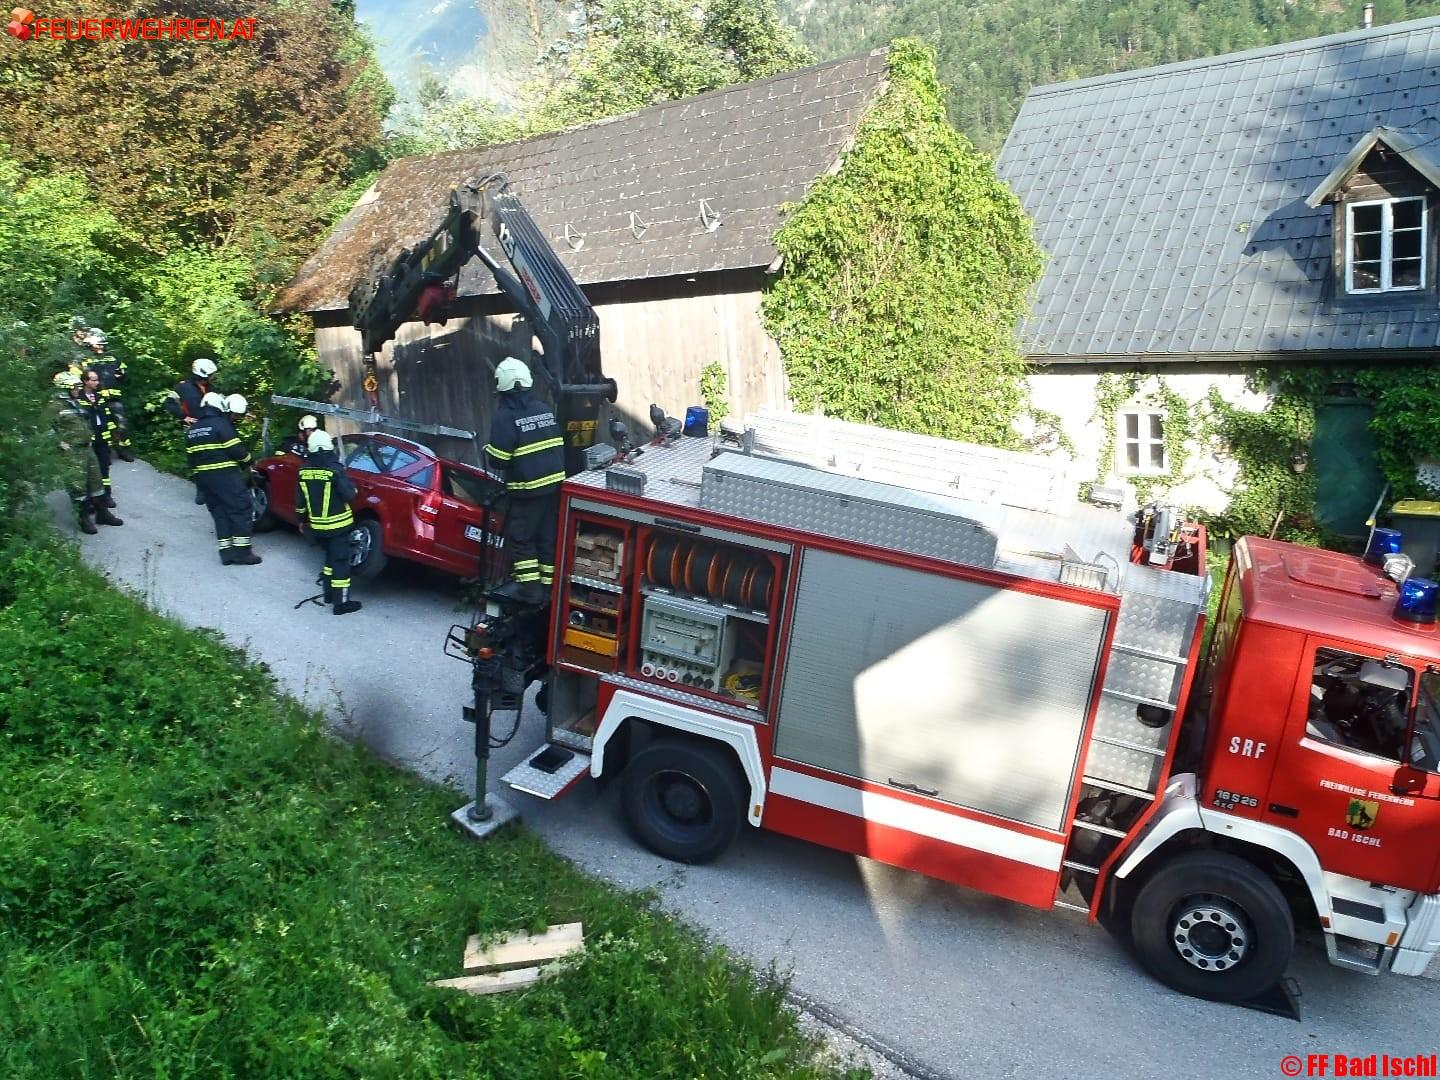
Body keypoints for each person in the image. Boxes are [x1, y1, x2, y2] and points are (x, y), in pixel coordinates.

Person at [483, 356, 565, 605]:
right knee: (546, 539)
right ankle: (548, 590)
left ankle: (530, 591)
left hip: (527, 491)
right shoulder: (543, 408)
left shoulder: (505, 416)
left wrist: (489, 450)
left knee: (522, 540)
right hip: (554, 488)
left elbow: (499, 460)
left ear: (502, 385)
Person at [186, 391, 261, 565]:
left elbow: (191, 459)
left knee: (219, 513)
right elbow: (236, 450)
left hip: (204, 479)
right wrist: (250, 461)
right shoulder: (221, 424)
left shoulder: (192, 430)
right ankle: (242, 552)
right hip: (225, 476)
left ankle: (226, 553)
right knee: (241, 509)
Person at [296, 429, 361, 614]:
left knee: (329, 560)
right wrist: (354, 488)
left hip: (318, 526)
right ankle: (341, 604)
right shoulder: (334, 470)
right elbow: (349, 495)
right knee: (340, 562)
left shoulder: (303, 471)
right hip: (339, 525)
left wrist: (301, 521)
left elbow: (300, 501)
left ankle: (329, 594)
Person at [51, 371, 122, 532]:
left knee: (96, 482)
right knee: (78, 487)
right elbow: (44, 428)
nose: (78, 389)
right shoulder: (54, 406)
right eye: (75, 387)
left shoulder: (75, 403)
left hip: (87, 448)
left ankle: (103, 514)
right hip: (72, 452)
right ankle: (83, 519)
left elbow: (86, 422)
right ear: (65, 388)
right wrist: (59, 442)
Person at [165, 358, 218, 505]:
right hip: (193, 428)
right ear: (202, 373)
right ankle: (201, 490)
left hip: (211, 427)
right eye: (211, 374)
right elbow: (169, 404)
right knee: (197, 459)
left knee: (213, 457)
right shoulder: (182, 387)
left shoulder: (212, 388)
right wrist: (184, 417)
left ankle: (214, 488)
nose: (213, 377)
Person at [84, 329, 134, 462]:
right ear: (90, 344)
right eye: (98, 344)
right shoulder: (85, 360)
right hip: (95, 399)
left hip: (114, 399)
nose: (101, 346)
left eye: (103, 344)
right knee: (101, 427)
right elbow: (81, 379)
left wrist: (122, 374)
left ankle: (123, 449)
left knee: (122, 424)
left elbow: (125, 375)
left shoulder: (113, 358)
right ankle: (105, 453)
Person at [76, 367, 121, 509]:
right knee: (89, 470)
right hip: (88, 440)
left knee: (104, 467)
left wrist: (113, 432)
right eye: (94, 380)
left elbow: (108, 416)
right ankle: (90, 500)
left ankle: (106, 495)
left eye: (97, 380)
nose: (97, 382)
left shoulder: (100, 397)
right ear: (85, 381)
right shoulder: (78, 399)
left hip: (102, 439)